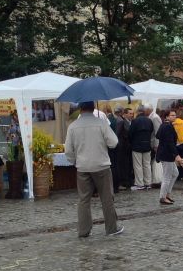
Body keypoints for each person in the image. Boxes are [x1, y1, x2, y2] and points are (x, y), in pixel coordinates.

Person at [64, 101, 122, 237]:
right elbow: (114, 143)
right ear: (93, 107)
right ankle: (111, 228)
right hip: (101, 165)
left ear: (80, 109)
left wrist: (75, 161)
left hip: (83, 167)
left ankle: (83, 231)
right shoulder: (101, 123)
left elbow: (68, 150)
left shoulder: (73, 126)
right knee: (107, 198)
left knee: (83, 200)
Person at [156, 110, 183, 204]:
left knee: (175, 173)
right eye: (172, 115)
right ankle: (162, 197)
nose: (174, 116)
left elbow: (158, 136)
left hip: (166, 154)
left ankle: (167, 194)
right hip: (167, 155)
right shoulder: (167, 126)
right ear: (167, 117)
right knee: (167, 177)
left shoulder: (165, 125)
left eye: (175, 115)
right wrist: (176, 155)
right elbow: (169, 142)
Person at [128, 106, 154, 190]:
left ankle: (139, 184)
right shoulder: (149, 120)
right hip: (147, 145)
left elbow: (130, 133)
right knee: (147, 165)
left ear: (138, 112)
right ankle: (148, 183)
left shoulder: (135, 121)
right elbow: (151, 131)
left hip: (136, 146)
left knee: (138, 165)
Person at [113, 106, 133, 190]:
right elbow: (119, 134)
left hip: (124, 146)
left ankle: (126, 181)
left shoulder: (122, 121)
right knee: (123, 165)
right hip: (122, 146)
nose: (132, 115)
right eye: (130, 113)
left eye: (132, 113)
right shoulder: (121, 121)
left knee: (125, 164)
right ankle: (124, 181)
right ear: (123, 113)